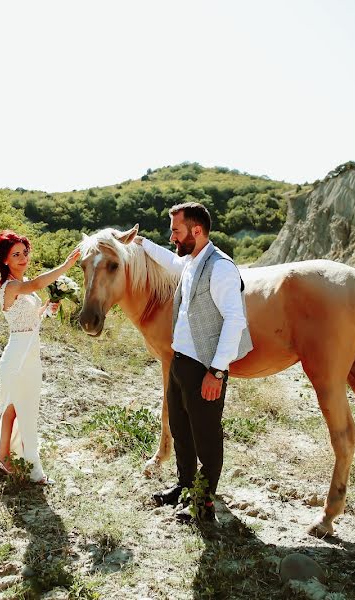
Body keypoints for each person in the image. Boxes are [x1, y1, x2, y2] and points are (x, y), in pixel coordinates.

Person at [135, 202, 252, 522]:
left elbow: (235, 319)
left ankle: (203, 502)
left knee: (206, 434)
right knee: (181, 428)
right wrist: (141, 243)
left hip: (205, 366)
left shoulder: (221, 267)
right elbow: (171, 261)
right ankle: (184, 485)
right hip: (181, 361)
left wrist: (217, 370)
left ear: (196, 231)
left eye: (176, 230)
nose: (171, 236)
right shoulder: (191, 262)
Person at [0, 230, 80, 485]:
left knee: (13, 408)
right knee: (23, 409)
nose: (23, 258)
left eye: (25, 253)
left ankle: (3, 456)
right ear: (5, 260)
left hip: (31, 353)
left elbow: (32, 318)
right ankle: (34, 470)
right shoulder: (12, 286)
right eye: (16, 254)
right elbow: (35, 285)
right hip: (16, 356)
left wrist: (49, 308)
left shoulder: (27, 291)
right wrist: (66, 266)